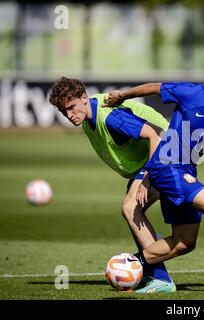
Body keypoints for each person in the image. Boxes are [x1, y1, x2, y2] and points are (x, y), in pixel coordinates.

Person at [103, 52, 204, 285]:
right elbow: (154, 87)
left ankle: (128, 267)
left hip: (187, 170)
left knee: (185, 242)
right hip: (166, 166)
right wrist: (123, 95)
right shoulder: (191, 93)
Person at [48, 77, 176, 293]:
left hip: (168, 150)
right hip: (153, 157)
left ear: (84, 98)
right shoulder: (90, 112)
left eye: (71, 108)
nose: (69, 115)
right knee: (134, 211)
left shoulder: (110, 118)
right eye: (64, 111)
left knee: (130, 208)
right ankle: (155, 266)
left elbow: (155, 135)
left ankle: (161, 278)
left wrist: (146, 178)